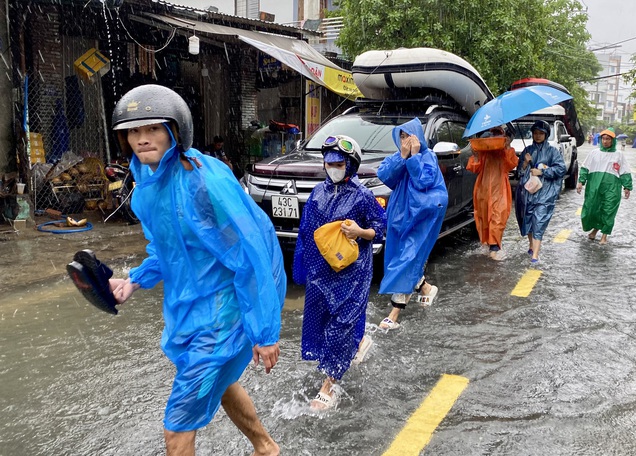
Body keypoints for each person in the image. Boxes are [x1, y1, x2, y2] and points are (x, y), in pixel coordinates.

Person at [107, 85, 285, 456]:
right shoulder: (145, 191)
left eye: (153, 128)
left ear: (175, 130)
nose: (142, 139)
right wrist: (133, 282)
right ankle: (266, 447)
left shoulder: (204, 180)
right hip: (189, 311)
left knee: (177, 427)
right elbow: (165, 251)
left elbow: (251, 251)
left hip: (224, 314)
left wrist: (264, 330)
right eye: (134, 131)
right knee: (218, 383)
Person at [292, 135, 386, 410]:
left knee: (341, 326)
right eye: (328, 162)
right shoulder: (318, 193)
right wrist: (304, 265)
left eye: (338, 162)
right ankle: (356, 344)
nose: (331, 166)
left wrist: (359, 232)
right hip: (322, 273)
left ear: (350, 164)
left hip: (353, 273)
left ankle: (329, 385)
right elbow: (307, 232)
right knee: (321, 322)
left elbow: (380, 227)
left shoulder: (363, 196)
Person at [377, 118, 448, 330]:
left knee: (407, 259)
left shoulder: (428, 157)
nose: (405, 140)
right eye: (401, 136)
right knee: (400, 256)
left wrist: (414, 157)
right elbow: (384, 175)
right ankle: (426, 288)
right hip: (400, 218)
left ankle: (394, 314)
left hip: (420, 218)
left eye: (408, 135)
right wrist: (403, 157)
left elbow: (424, 181)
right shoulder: (398, 157)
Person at [514, 120, 567, 265]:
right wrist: (525, 163)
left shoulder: (552, 151)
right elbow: (519, 173)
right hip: (528, 193)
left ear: (546, 134)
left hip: (545, 193)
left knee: (539, 220)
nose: (537, 136)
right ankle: (531, 245)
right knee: (528, 219)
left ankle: (535, 254)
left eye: (541, 133)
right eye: (535, 133)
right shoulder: (527, 150)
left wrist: (542, 172)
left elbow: (561, 169)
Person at [466, 126, 519, 260]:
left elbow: (511, 164)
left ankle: (494, 246)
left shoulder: (506, 151)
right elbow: (474, 168)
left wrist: (506, 148)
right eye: (493, 134)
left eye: (497, 134)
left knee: (498, 216)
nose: (494, 137)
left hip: (500, 187)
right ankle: (486, 244)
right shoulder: (483, 151)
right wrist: (476, 155)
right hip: (483, 188)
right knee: (483, 216)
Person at [576, 128, 633, 245]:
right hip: (594, 186)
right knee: (593, 208)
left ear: (613, 141)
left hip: (612, 188)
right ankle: (594, 230)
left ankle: (604, 236)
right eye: (603, 139)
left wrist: (627, 187)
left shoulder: (619, 155)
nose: (605, 141)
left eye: (608, 139)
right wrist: (581, 181)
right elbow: (585, 167)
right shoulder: (594, 153)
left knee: (608, 210)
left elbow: (625, 171)